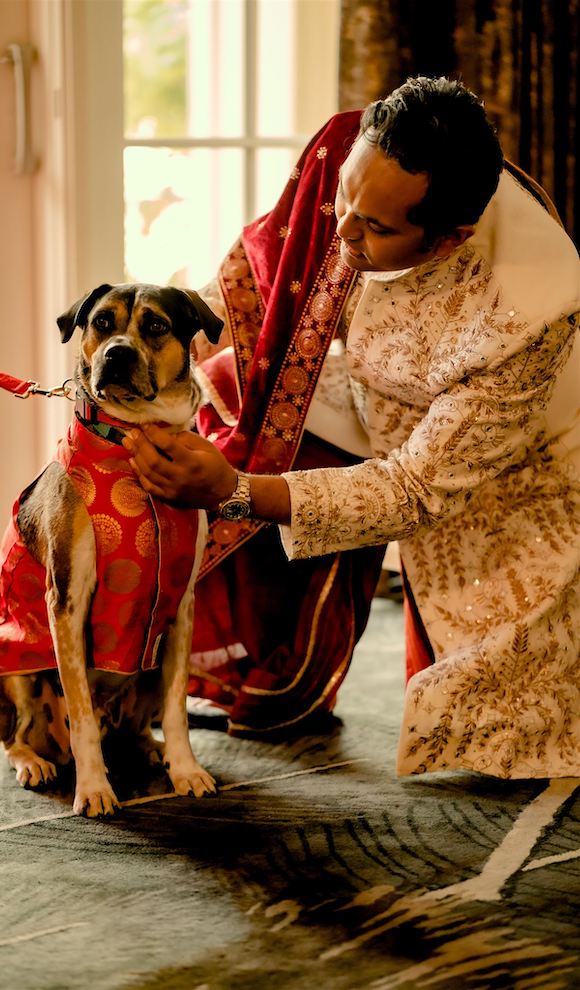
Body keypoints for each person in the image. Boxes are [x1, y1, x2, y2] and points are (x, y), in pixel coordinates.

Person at [124, 76, 580, 779]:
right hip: (368, 389)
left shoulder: (526, 314)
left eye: (374, 226)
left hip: (507, 462)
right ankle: (269, 673)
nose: (339, 233)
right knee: (237, 402)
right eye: (343, 200)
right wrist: (159, 340)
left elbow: (415, 490)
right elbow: (266, 273)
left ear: (447, 239)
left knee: (504, 728)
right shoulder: (349, 152)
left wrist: (238, 490)